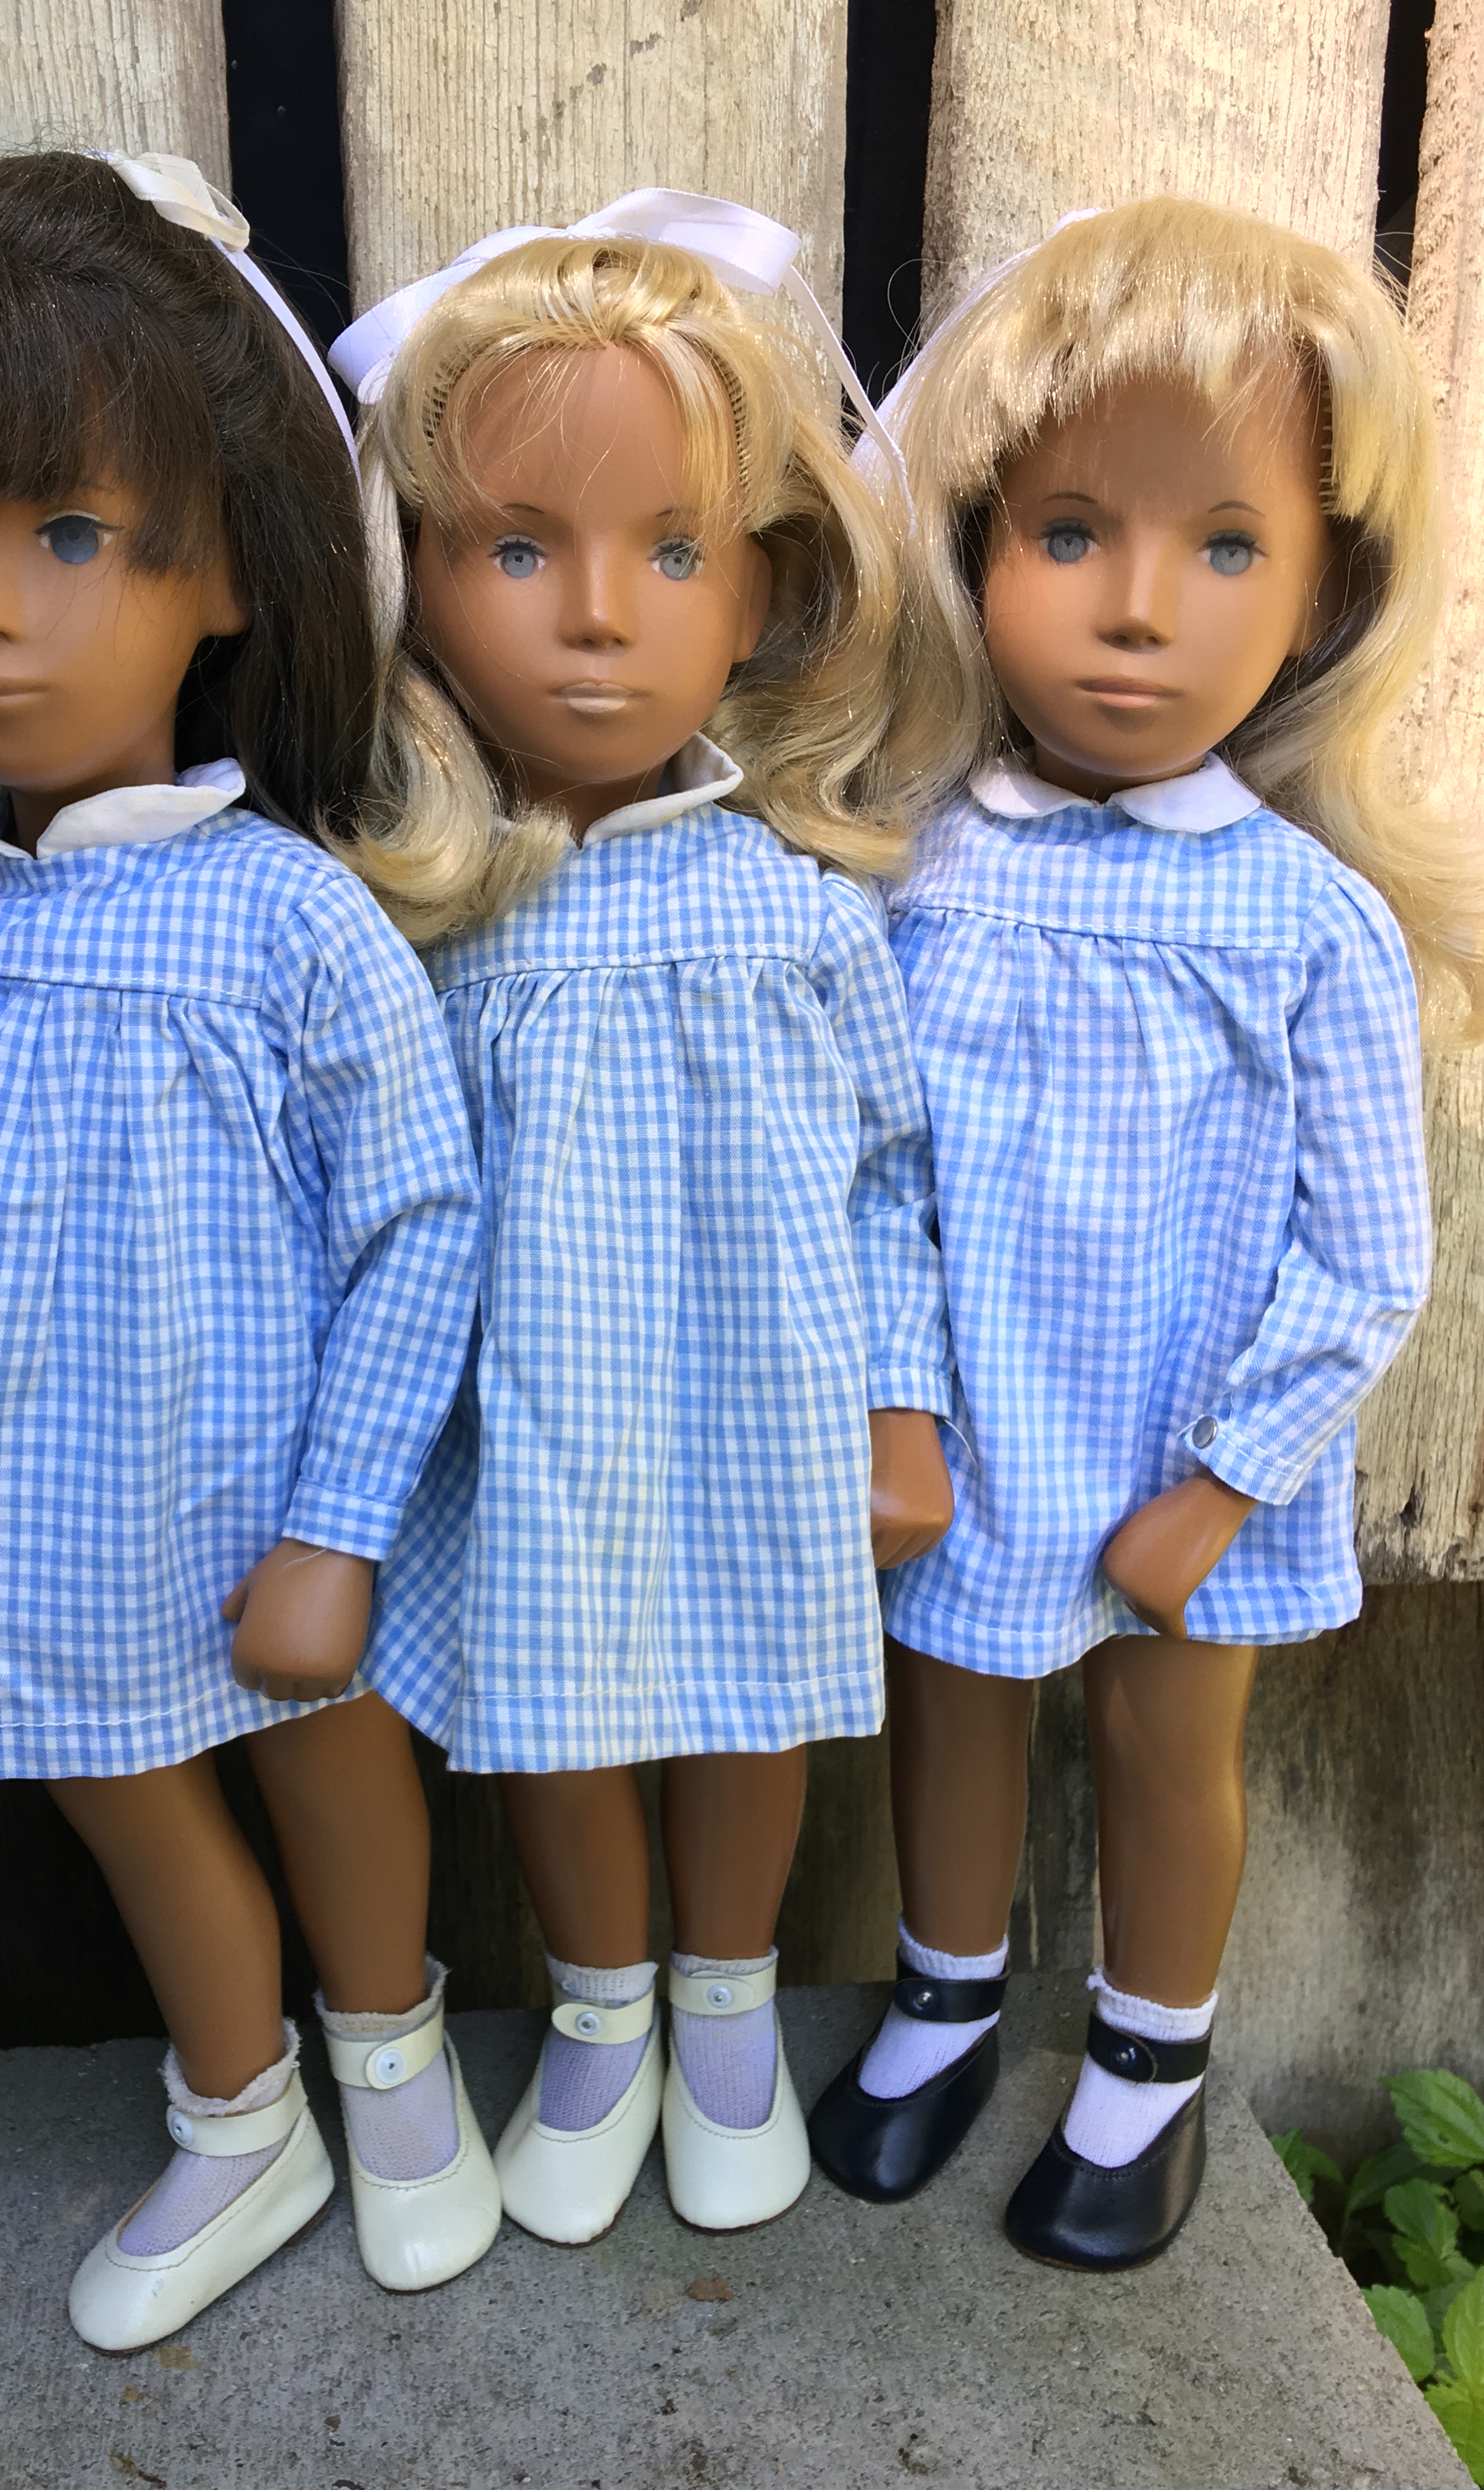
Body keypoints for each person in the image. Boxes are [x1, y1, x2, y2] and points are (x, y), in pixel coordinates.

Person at [0, 150, 498, 2396]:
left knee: (328, 1755)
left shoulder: (285, 919)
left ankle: (396, 2054)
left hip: (251, 1483)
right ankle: (245, 2119)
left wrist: (341, 1520)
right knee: (127, 1789)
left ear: (225, 567)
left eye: (68, 537)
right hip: (27, 1509)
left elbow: (417, 1221)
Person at [808, 196, 1481, 2270]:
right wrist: (898, 1403)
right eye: (1071, 532)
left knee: (1171, 1739)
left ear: (1325, 590)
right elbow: (875, 1172)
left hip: (1193, 1445)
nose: (1136, 609)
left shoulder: (1306, 925)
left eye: (1227, 549)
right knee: (950, 1707)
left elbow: (1366, 1252)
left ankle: (1149, 2062)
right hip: (975, 1429)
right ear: (979, 545)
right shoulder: (919, 879)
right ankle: (945, 1995)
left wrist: (1230, 1478)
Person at [335, 193, 966, 2244]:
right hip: (524, 1414)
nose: (597, 616)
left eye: (670, 553)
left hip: (753, 1400)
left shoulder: (801, 913)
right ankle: (601, 2014)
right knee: (548, 1722)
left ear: (764, 586)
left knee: (751, 1701)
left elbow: (890, 1180)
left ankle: (726, 2006)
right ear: (415, 578)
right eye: (518, 550)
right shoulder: (425, 922)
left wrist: (899, 1408)